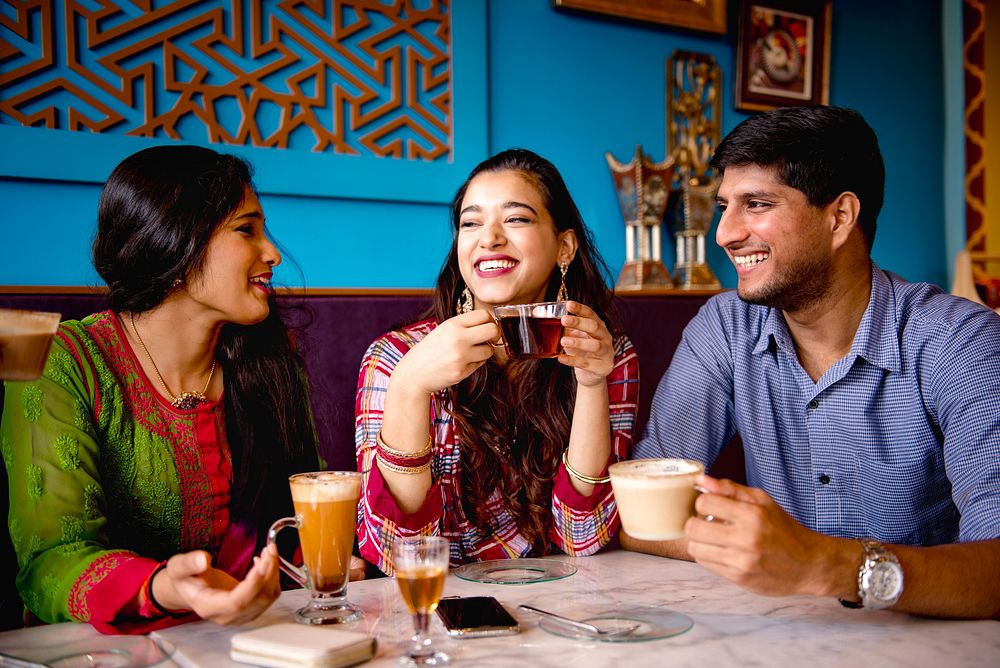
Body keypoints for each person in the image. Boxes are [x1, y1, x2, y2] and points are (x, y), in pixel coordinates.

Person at [626, 105, 1000, 619]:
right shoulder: (725, 327)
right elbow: (641, 511)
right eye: (724, 206)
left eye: (756, 204)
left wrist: (823, 565)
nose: (725, 234)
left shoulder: (961, 342)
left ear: (840, 217)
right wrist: (758, 554)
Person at [1, 146, 338, 632]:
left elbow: (304, 509)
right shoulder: (65, 360)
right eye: (247, 230)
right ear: (177, 243)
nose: (273, 253)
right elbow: (50, 559)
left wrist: (327, 563)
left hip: (252, 641)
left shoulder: (267, 360)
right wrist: (166, 587)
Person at [355, 148, 639, 573]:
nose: (489, 238)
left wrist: (593, 384)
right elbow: (397, 553)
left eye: (516, 218)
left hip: (559, 607)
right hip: (437, 606)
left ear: (564, 247)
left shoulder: (608, 353)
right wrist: (409, 386)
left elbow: (583, 538)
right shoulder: (395, 357)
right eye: (471, 223)